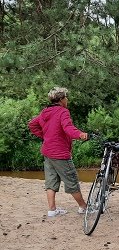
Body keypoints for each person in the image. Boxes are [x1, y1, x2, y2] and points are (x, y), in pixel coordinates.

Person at [28, 87, 88, 217]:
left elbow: (32, 124)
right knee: (71, 180)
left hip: (48, 152)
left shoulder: (45, 112)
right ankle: (83, 207)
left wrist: (45, 136)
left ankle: (52, 210)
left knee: (51, 181)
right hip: (60, 153)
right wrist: (80, 134)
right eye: (66, 97)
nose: (67, 100)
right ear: (61, 99)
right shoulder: (63, 112)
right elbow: (68, 128)